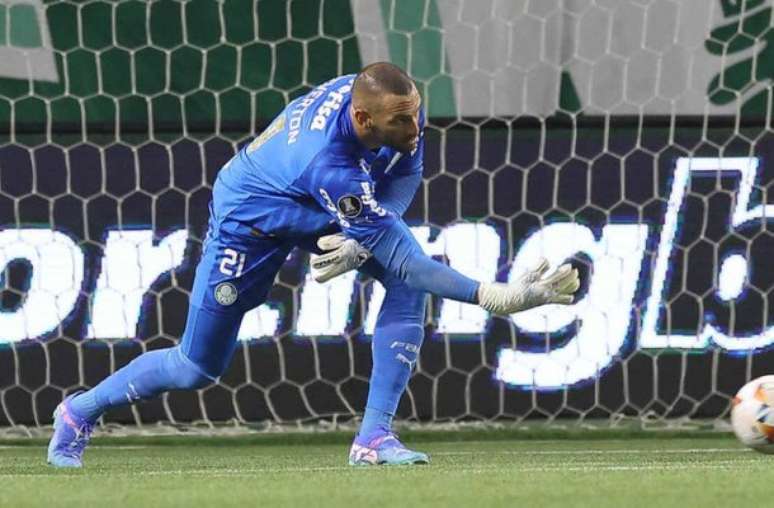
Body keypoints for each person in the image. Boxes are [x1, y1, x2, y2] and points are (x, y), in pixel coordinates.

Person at [47, 62, 579, 468]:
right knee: (197, 367)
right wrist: (494, 296)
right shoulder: (331, 161)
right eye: (403, 121)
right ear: (365, 119)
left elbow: (404, 178)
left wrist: (366, 233)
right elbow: (407, 256)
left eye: (417, 114)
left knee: (402, 283)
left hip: (315, 204)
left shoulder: (392, 107)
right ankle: (78, 412)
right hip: (251, 219)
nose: (416, 127)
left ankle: (373, 437)